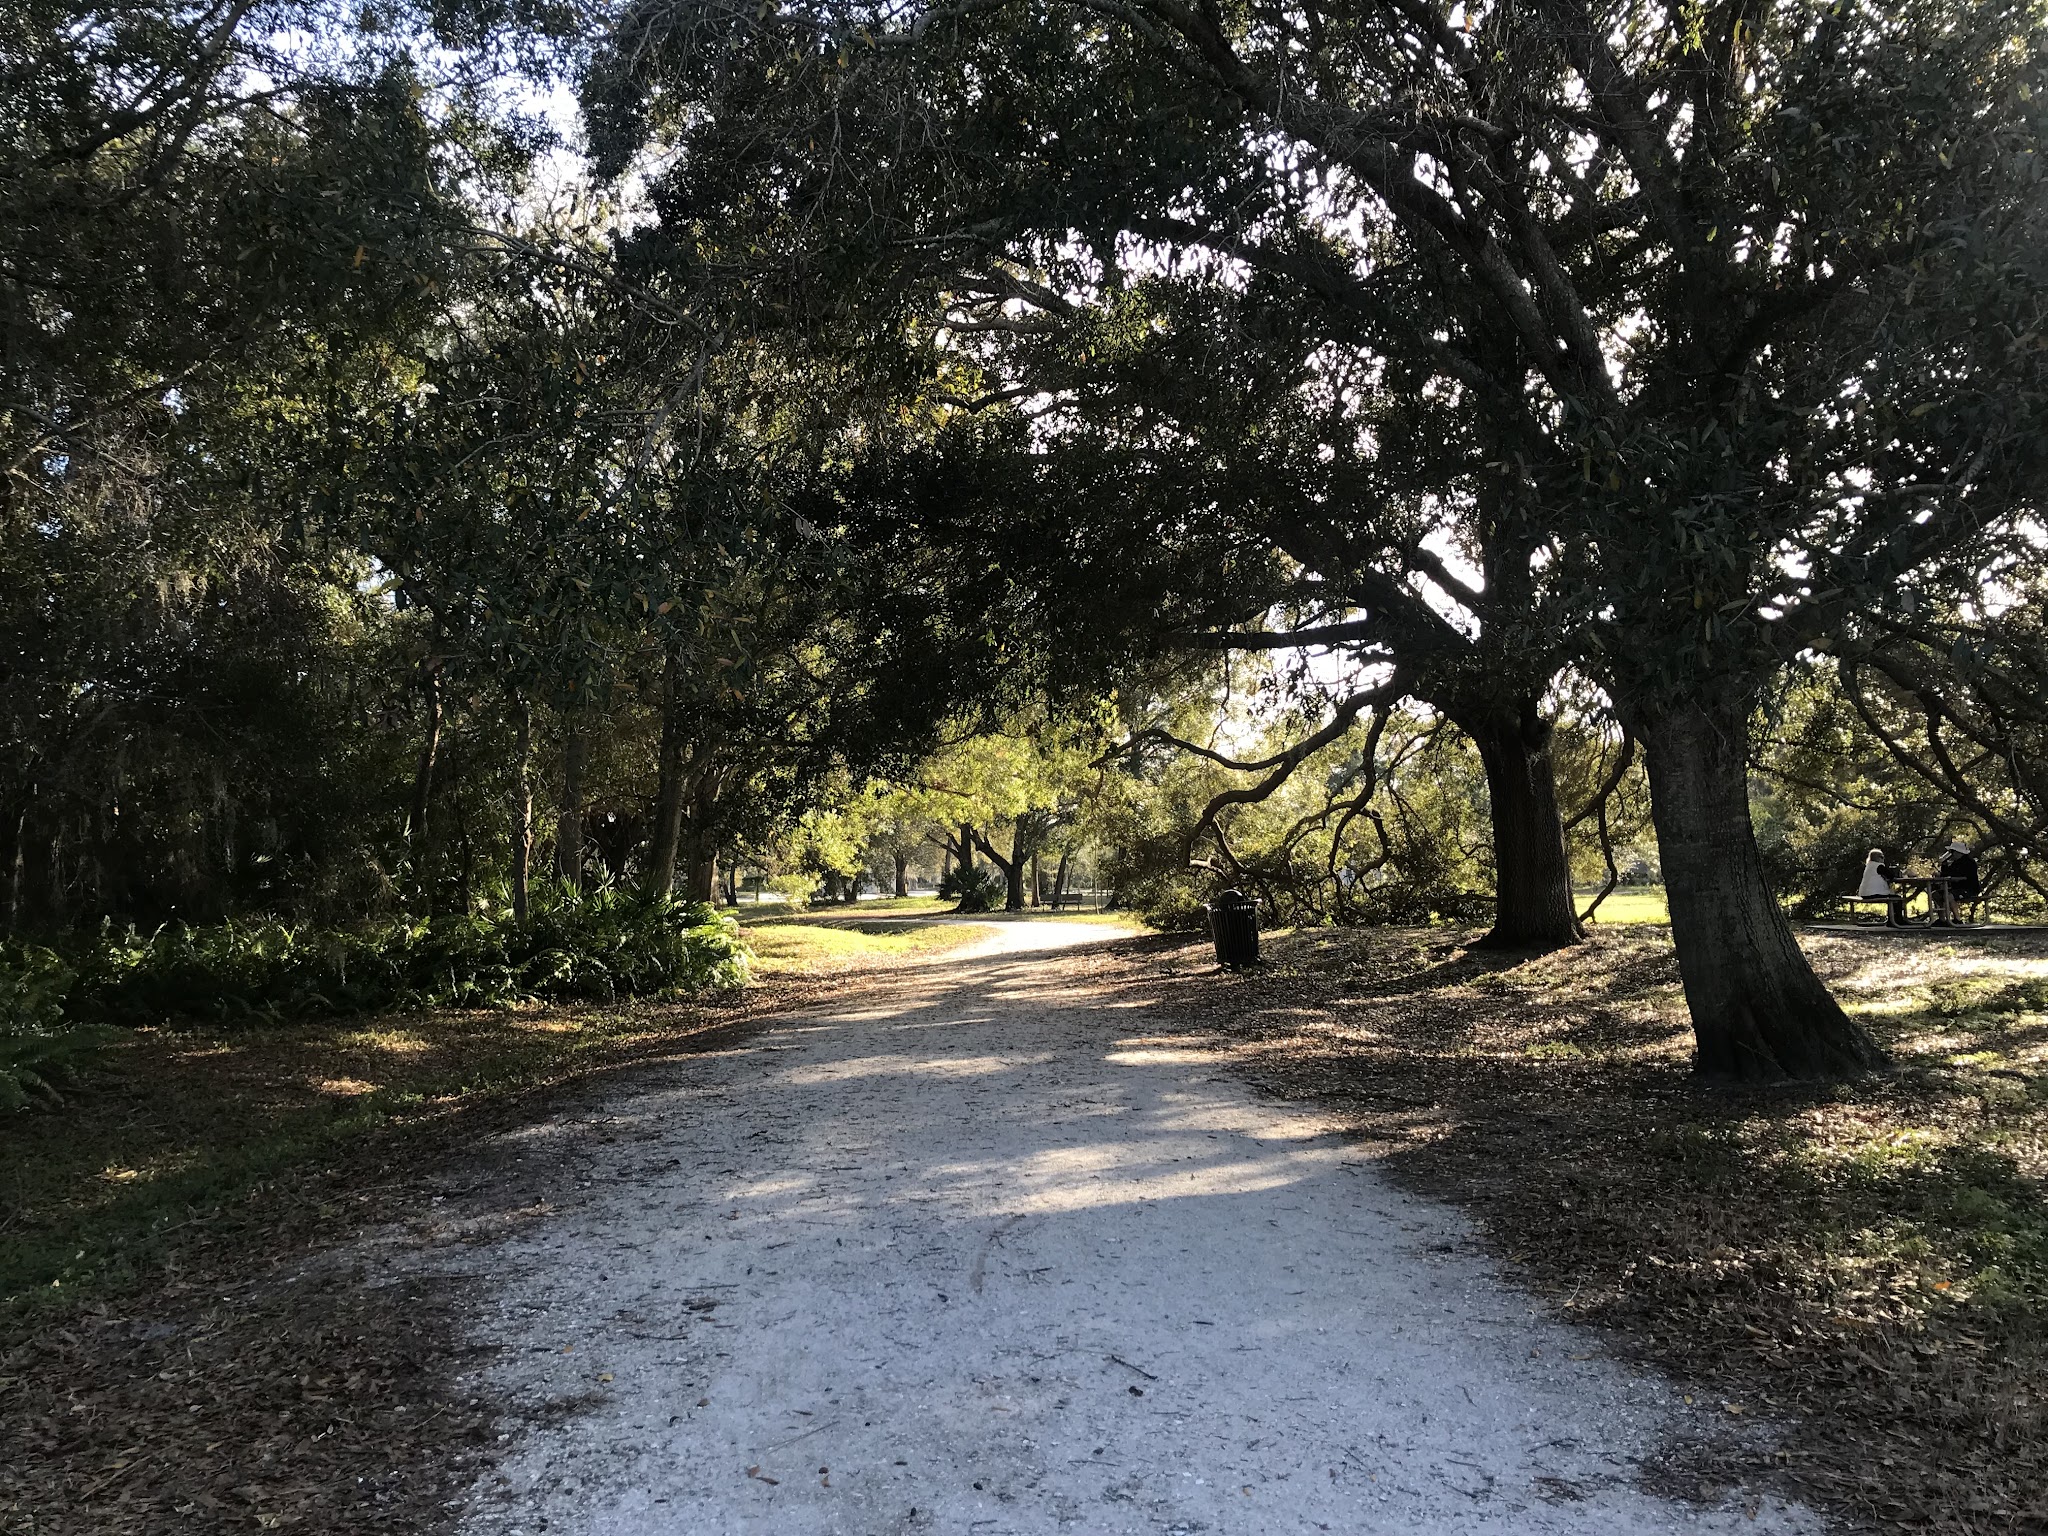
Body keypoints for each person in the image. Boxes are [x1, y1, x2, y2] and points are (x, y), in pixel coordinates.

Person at [1935, 839, 1981, 925]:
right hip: (1956, 888)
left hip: (1969, 889)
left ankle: (1957, 919)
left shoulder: (1969, 863)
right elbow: (1947, 873)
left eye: (1953, 852)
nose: (1951, 854)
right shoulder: (1955, 863)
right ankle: (1942, 919)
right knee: (1936, 894)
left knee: (1949, 896)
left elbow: (1963, 876)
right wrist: (1943, 865)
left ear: (1958, 852)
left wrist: (1952, 877)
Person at [1859, 849, 1906, 925]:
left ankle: (1892, 920)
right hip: (1873, 893)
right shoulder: (1878, 866)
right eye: (1882, 857)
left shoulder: (1869, 866)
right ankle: (1897, 920)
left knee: (1892, 898)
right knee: (1897, 898)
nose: (1883, 859)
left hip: (1864, 893)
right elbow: (1890, 876)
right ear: (1878, 858)